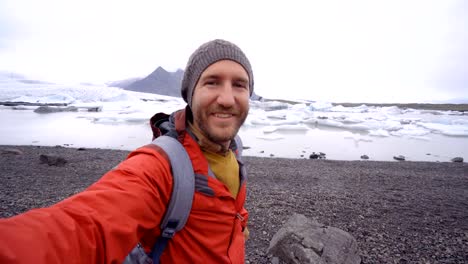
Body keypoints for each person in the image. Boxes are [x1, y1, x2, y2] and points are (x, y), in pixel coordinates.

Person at [0, 39, 254, 264]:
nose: (227, 99)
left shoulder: (233, 151)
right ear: (191, 94)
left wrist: (237, 225)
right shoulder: (160, 166)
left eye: (239, 85)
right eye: (212, 82)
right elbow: (85, 228)